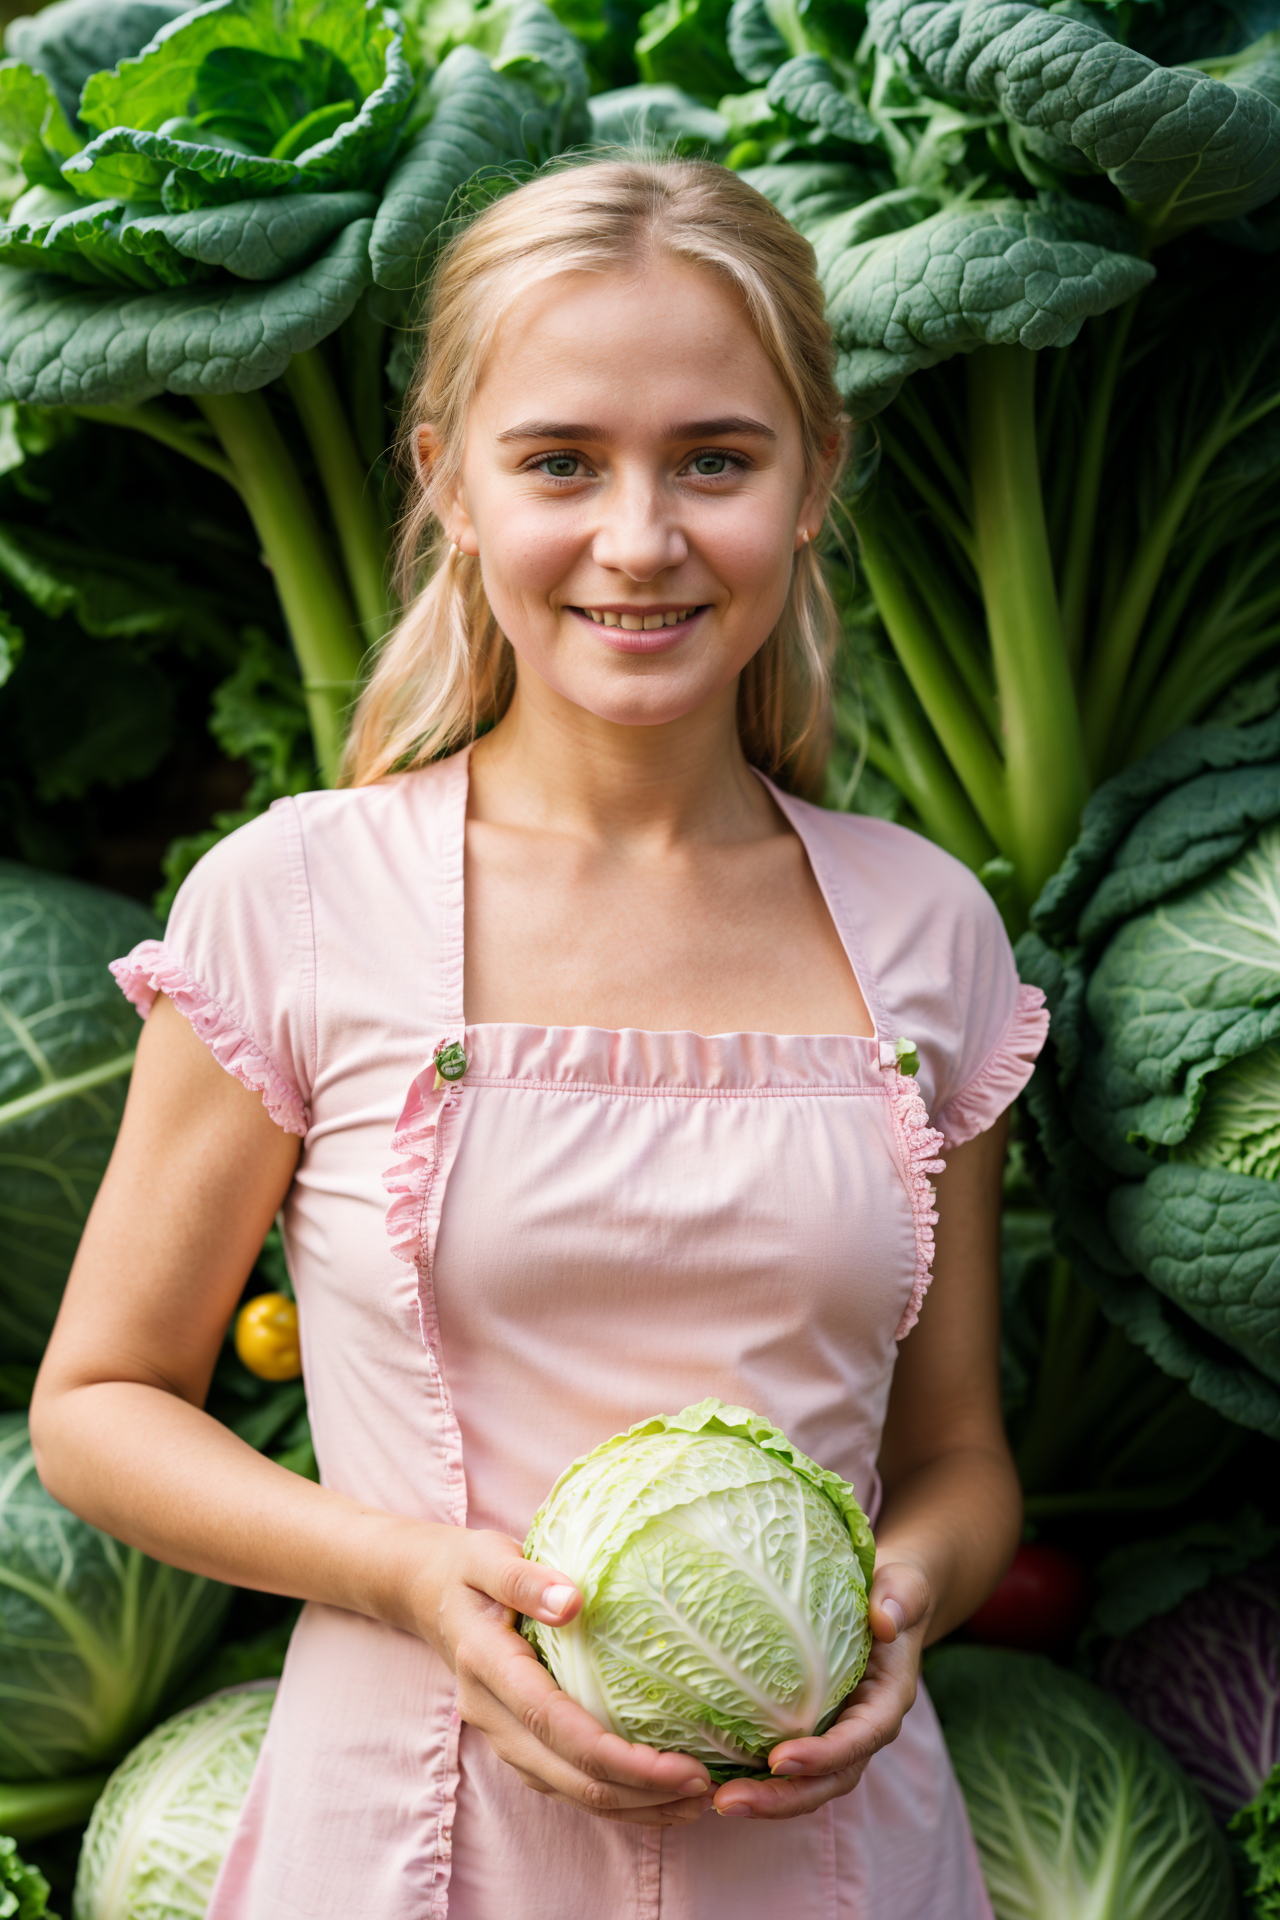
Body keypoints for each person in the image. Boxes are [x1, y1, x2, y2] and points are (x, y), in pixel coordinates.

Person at [29, 156, 1047, 1919]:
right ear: (452, 481)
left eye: (716, 459)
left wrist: (901, 1608)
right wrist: (414, 1576)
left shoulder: (925, 928)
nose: (640, 539)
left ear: (814, 483)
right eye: (562, 460)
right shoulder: (298, 897)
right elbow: (99, 1408)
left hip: (837, 1857)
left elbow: (958, 1457)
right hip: (410, 1838)